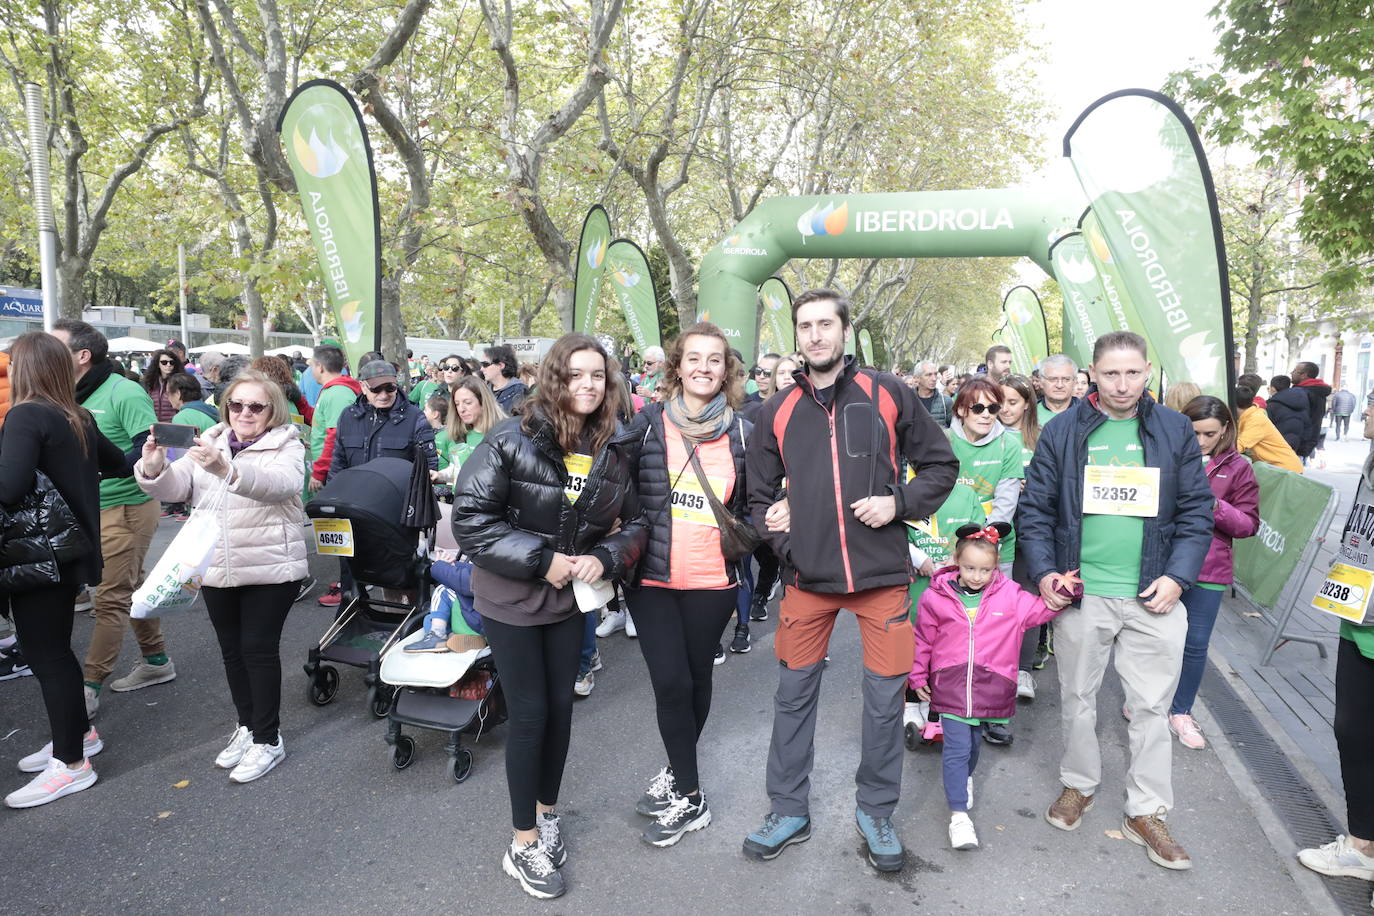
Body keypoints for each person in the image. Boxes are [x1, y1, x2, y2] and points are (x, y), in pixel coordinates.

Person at [742, 288, 958, 873]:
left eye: (825, 325)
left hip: (882, 578)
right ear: (796, 336)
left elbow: (941, 465)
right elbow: (759, 497)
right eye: (805, 326)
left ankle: (876, 811)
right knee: (792, 697)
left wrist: (899, 503)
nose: (816, 335)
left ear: (845, 332)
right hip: (805, 582)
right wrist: (787, 543)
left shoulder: (888, 393)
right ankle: (789, 809)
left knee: (886, 702)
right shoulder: (775, 410)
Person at [452, 333, 646, 900]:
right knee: (532, 715)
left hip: (571, 601)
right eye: (576, 374)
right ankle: (522, 842)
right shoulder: (510, 438)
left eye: (598, 376)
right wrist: (544, 561)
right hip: (512, 598)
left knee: (560, 714)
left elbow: (635, 524)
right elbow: (472, 521)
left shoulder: (613, 445)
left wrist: (603, 557)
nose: (588, 385)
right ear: (554, 378)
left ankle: (546, 812)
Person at [1019, 331, 1213, 870]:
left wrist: (1178, 577)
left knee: (1151, 708)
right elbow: (1035, 510)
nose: (1123, 384)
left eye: (1133, 373)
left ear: (1148, 372)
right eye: (1111, 374)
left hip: (1155, 594)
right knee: (1078, 697)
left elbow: (1198, 512)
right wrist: (1045, 574)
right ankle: (1078, 784)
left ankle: (1145, 811)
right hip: (1085, 595)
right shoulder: (1062, 432)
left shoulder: (1173, 430)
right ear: (1092, 374)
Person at [135, 370, 306, 783]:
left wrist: (227, 470)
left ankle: (268, 739)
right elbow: (178, 489)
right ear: (225, 405)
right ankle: (248, 727)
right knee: (231, 651)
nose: (244, 413)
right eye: (236, 404)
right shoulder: (208, 440)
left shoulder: (287, 442)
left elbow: (282, 484)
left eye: (255, 406)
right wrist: (154, 467)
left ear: (272, 411)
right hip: (215, 565)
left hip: (270, 566)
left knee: (257, 649)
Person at [625, 321, 755, 845]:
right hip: (652, 576)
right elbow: (616, 487)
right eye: (694, 358)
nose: (704, 368)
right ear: (677, 366)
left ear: (728, 371)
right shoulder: (647, 424)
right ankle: (693, 795)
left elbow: (752, 504)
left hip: (713, 580)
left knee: (697, 677)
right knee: (671, 683)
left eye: (715, 360)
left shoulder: (744, 432)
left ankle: (679, 775)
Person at [3, 333, 130, 809]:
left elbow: (9, 486)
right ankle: (78, 736)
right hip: (71, 553)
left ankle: (72, 763)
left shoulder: (25, 415)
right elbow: (118, 464)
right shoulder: (77, 415)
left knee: (47, 654)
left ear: (25, 368)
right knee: (55, 650)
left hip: (38, 556)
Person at [910, 523, 1062, 850]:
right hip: (949, 685)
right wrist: (918, 674)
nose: (977, 576)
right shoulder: (935, 597)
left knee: (973, 746)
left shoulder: (1010, 595)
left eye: (985, 569)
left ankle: (964, 779)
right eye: (969, 568)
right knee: (956, 749)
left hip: (989, 687)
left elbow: (1039, 611)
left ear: (996, 567)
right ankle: (958, 817)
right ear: (955, 562)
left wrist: (1063, 593)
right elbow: (923, 638)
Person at [52, 319, 174, 718]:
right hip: (86, 509)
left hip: (125, 507)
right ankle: (157, 663)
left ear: (82, 356)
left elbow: (148, 451)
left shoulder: (123, 392)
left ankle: (87, 688)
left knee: (110, 597)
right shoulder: (62, 392)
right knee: (133, 584)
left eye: (57, 347)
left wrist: (95, 474)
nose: (48, 353)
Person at [1295, 457, 1374, 895]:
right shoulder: (1369, 465)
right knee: (1353, 733)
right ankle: (1363, 848)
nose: (1367, 411)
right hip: (1359, 620)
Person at [1167, 396, 1259, 750]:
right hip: (1166, 562)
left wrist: (1213, 504)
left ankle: (1181, 711)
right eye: (1194, 433)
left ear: (1225, 431)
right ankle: (1149, 701)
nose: (1201, 441)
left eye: (1209, 434)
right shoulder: (1168, 456)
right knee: (1155, 639)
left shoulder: (1239, 468)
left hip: (1208, 566)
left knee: (1194, 644)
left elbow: (1248, 524)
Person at [945, 375, 1027, 744]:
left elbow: (1008, 497)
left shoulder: (1009, 443)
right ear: (961, 408)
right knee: (950, 628)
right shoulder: (942, 441)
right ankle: (945, 701)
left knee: (996, 630)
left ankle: (993, 709)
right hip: (947, 549)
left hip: (996, 548)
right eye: (978, 407)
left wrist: (989, 538)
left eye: (994, 408)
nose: (987, 414)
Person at [306, 345, 362, 607]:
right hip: (334, 471)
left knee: (342, 532)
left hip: (336, 473)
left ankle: (348, 587)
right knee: (341, 531)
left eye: (310, 365)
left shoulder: (338, 392)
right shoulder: (335, 390)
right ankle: (348, 583)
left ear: (319, 366)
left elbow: (334, 435)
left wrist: (320, 470)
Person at [328, 360, 438, 480]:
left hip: (399, 497)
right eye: (376, 389)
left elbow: (428, 469)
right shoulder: (348, 416)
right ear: (363, 387)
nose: (383, 395)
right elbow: (337, 465)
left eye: (390, 388)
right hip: (354, 496)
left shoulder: (415, 418)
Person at [434, 376, 504, 485]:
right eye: (457, 404)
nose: (461, 409)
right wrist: (439, 476)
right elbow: (456, 469)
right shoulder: (459, 435)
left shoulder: (503, 435)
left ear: (483, 402)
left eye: (467, 402)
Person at [1234, 384, 1302, 473]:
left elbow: (1238, 446)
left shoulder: (1256, 419)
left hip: (1285, 471)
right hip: (1274, 469)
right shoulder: (1247, 417)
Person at [1290, 361, 1333, 457]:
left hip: (1298, 443)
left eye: (1295, 371)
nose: (1291, 373)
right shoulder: (1314, 390)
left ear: (1304, 375)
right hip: (1305, 442)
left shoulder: (1302, 392)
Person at [1265, 375, 1310, 457]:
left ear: (1273, 389)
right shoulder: (1302, 403)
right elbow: (1307, 425)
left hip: (1276, 448)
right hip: (1296, 447)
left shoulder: (1271, 406)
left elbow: (1265, 428)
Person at [141, 348, 187, 423]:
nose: (168, 365)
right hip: (153, 425)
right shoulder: (150, 382)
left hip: (175, 424)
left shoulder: (181, 382)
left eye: (171, 362)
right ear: (158, 364)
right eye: (164, 362)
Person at [483, 344, 528, 415]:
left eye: (485, 364)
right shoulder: (482, 389)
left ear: (501, 365)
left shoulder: (520, 390)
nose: (481, 369)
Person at [1036, 355, 1078, 425]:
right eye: (1052, 379)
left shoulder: (1088, 414)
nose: (1059, 385)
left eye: (1066, 379)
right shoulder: (1028, 414)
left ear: (1075, 382)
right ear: (1041, 381)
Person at [740, 352, 780, 421]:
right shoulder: (747, 401)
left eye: (768, 373)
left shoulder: (784, 401)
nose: (761, 376)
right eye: (758, 371)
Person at [912, 361, 953, 428]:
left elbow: (953, 428)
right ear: (917, 378)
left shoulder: (946, 401)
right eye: (928, 375)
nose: (934, 379)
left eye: (935, 374)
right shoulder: (907, 400)